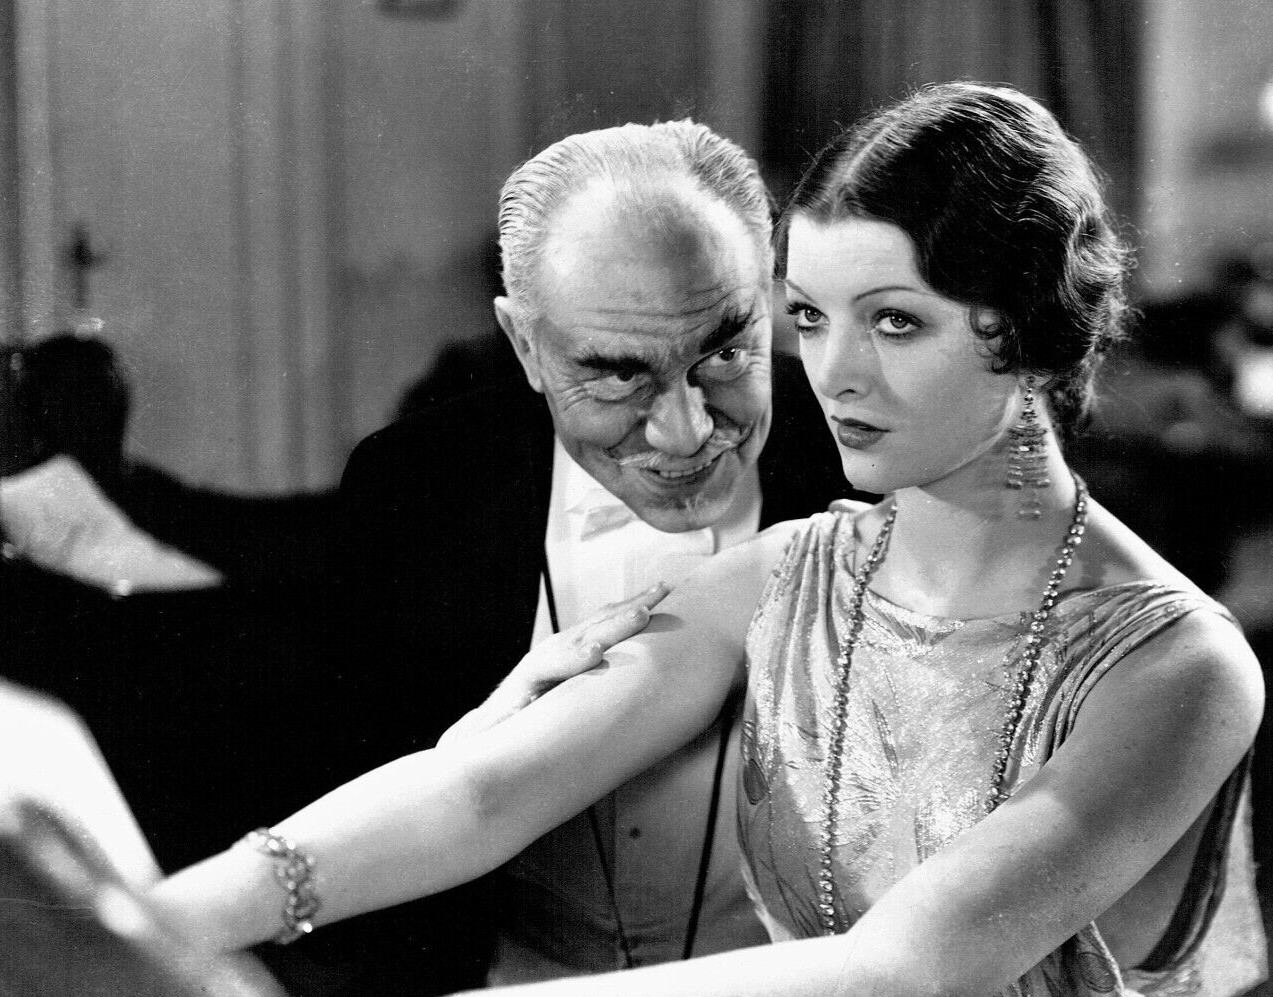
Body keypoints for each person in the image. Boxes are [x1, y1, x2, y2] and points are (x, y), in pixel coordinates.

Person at [152, 83, 1265, 995]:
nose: (833, 374)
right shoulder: (789, 572)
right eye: (810, 317)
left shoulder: (1182, 667)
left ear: (1032, 331)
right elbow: (479, 793)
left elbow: (901, 970)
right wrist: (145, 921)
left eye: (893, 320)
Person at [329, 120, 856, 991]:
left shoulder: (874, 462)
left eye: (727, 351)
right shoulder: (413, 485)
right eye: (617, 373)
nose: (684, 432)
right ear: (525, 345)